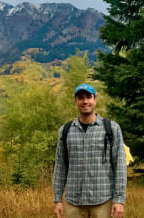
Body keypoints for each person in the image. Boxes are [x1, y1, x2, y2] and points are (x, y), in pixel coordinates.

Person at [53, 84, 127, 218]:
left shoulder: (111, 128)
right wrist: (57, 200)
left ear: (95, 100)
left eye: (89, 97)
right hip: (73, 203)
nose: (85, 101)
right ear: (75, 101)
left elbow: (120, 167)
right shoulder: (66, 130)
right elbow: (60, 167)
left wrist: (119, 200)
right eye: (80, 98)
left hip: (103, 201)